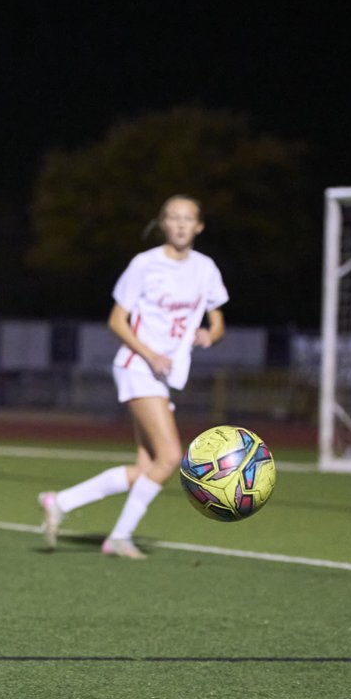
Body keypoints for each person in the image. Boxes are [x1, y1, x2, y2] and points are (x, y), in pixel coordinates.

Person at [38, 195, 228, 559]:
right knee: (170, 457)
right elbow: (116, 321)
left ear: (199, 226)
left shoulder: (206, 268)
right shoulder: (145, 264)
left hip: (165, 375)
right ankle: (119, 537)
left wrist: (209, 334)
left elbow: (217, 322)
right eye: (173, 217)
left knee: (147, 467)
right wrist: (151, 354)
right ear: (163, 223)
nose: (181, 224)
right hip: (137, 366)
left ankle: (60, 501)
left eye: (188, 218)